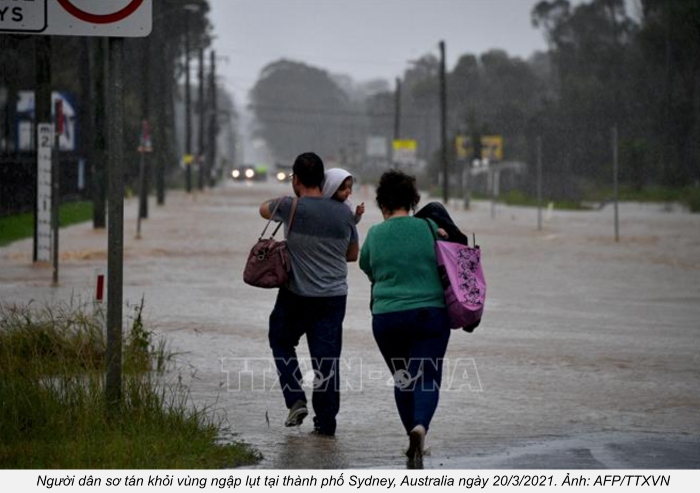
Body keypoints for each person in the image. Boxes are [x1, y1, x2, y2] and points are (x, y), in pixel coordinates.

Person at [259, 152, 359, 437]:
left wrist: (290, 198)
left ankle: (295, 398)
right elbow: (352, 255)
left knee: (280, 341)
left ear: (297, 179)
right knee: (327, 361)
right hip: (333, 298)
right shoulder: (345, 213)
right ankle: (326, 425)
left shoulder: (290, 206)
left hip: (296, 296)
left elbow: (262, 210)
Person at [359, 169, 451, 465]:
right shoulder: (428, 227)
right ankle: (420, 426)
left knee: (403, 378)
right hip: (429, 315)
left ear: (382, 204)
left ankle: (411, 434)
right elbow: (449, 258)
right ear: (412, 202)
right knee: (426, 376)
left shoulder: (374, 233)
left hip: (387, 319)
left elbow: (367, 267)